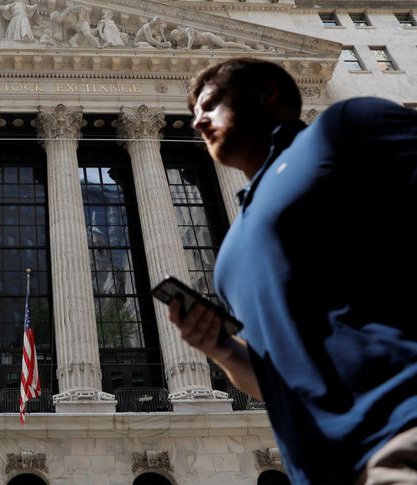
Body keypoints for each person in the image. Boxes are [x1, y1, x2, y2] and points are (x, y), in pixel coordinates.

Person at [174, 57, 417, 485]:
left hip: (401, 430)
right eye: (194, 113)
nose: (198, 123)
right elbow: (274, 381)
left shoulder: (343, 129)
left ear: (267, 95)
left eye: (210, 105)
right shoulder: (229, 256)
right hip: (324, 470)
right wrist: (223, 350)